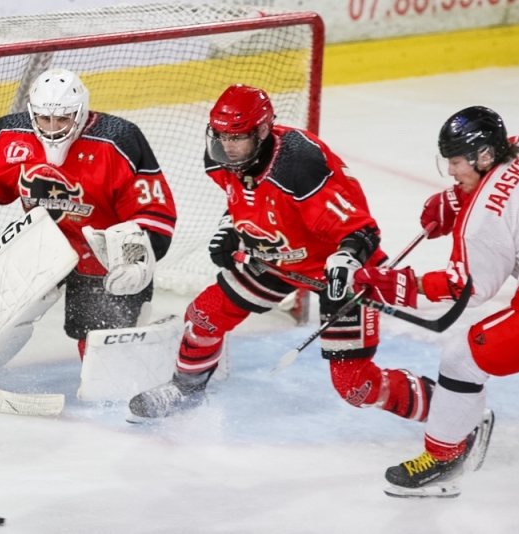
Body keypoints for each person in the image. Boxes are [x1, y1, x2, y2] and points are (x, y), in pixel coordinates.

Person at [128, 84, 435, 422]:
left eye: (236, 138)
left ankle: (451, 415)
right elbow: (246, 199)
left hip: (337, 271)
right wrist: (230, 228)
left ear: (261, 131)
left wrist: (345, 262)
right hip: (276, 257)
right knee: (204, 315)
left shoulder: (298, 167)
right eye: (220, 136)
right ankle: (185, 392)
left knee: (354, 386)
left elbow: (361, 232)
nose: (226, 147)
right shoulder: (220, 158)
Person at [354, 106, 519, 497]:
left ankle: (444, 457)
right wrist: (457, 200)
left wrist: (402, 285)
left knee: (461, 358)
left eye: (456, 163)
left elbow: (467, 289)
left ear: (484, 157)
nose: (452, 171)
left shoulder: (484, 219)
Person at [0, 68, 177, 360]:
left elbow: (152, 209)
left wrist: (136, 258)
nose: (53, 127)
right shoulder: (14, 135)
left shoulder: (119, 140)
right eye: (45, 119)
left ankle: (161, 349)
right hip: (42, 242)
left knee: (101, 344)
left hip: (101, 253)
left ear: (80, 112)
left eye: (63, 118)